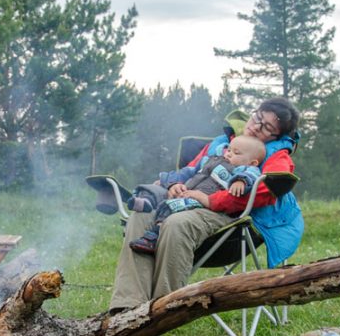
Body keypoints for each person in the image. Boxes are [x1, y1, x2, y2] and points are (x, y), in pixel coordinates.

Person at [109, 97, 304, 311]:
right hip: (186, 202)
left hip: (232, 219)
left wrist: (210, 200)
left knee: (177, 223)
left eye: (267, 127)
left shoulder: (276, 155)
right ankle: (127, 307)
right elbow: (193, 169)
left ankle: (161, 314)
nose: (257, 127)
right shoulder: (221, 143)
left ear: (278, 136)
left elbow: (265, 192)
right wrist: (175, 185)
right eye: (258, 117)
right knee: (141, 215)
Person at [128, 135, 266, 255]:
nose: (229, 154)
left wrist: (241, 181)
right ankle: (146, 201)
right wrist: (170, 182)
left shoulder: (244, 169)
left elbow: (251, 176)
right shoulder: (210, 159)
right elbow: (187, 171)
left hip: (200, 200)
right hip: (184, 189)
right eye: (229, 149)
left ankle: (153, 237)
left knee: (170, 206)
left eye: (236, 153)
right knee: (152, 189)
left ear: (252, 162)